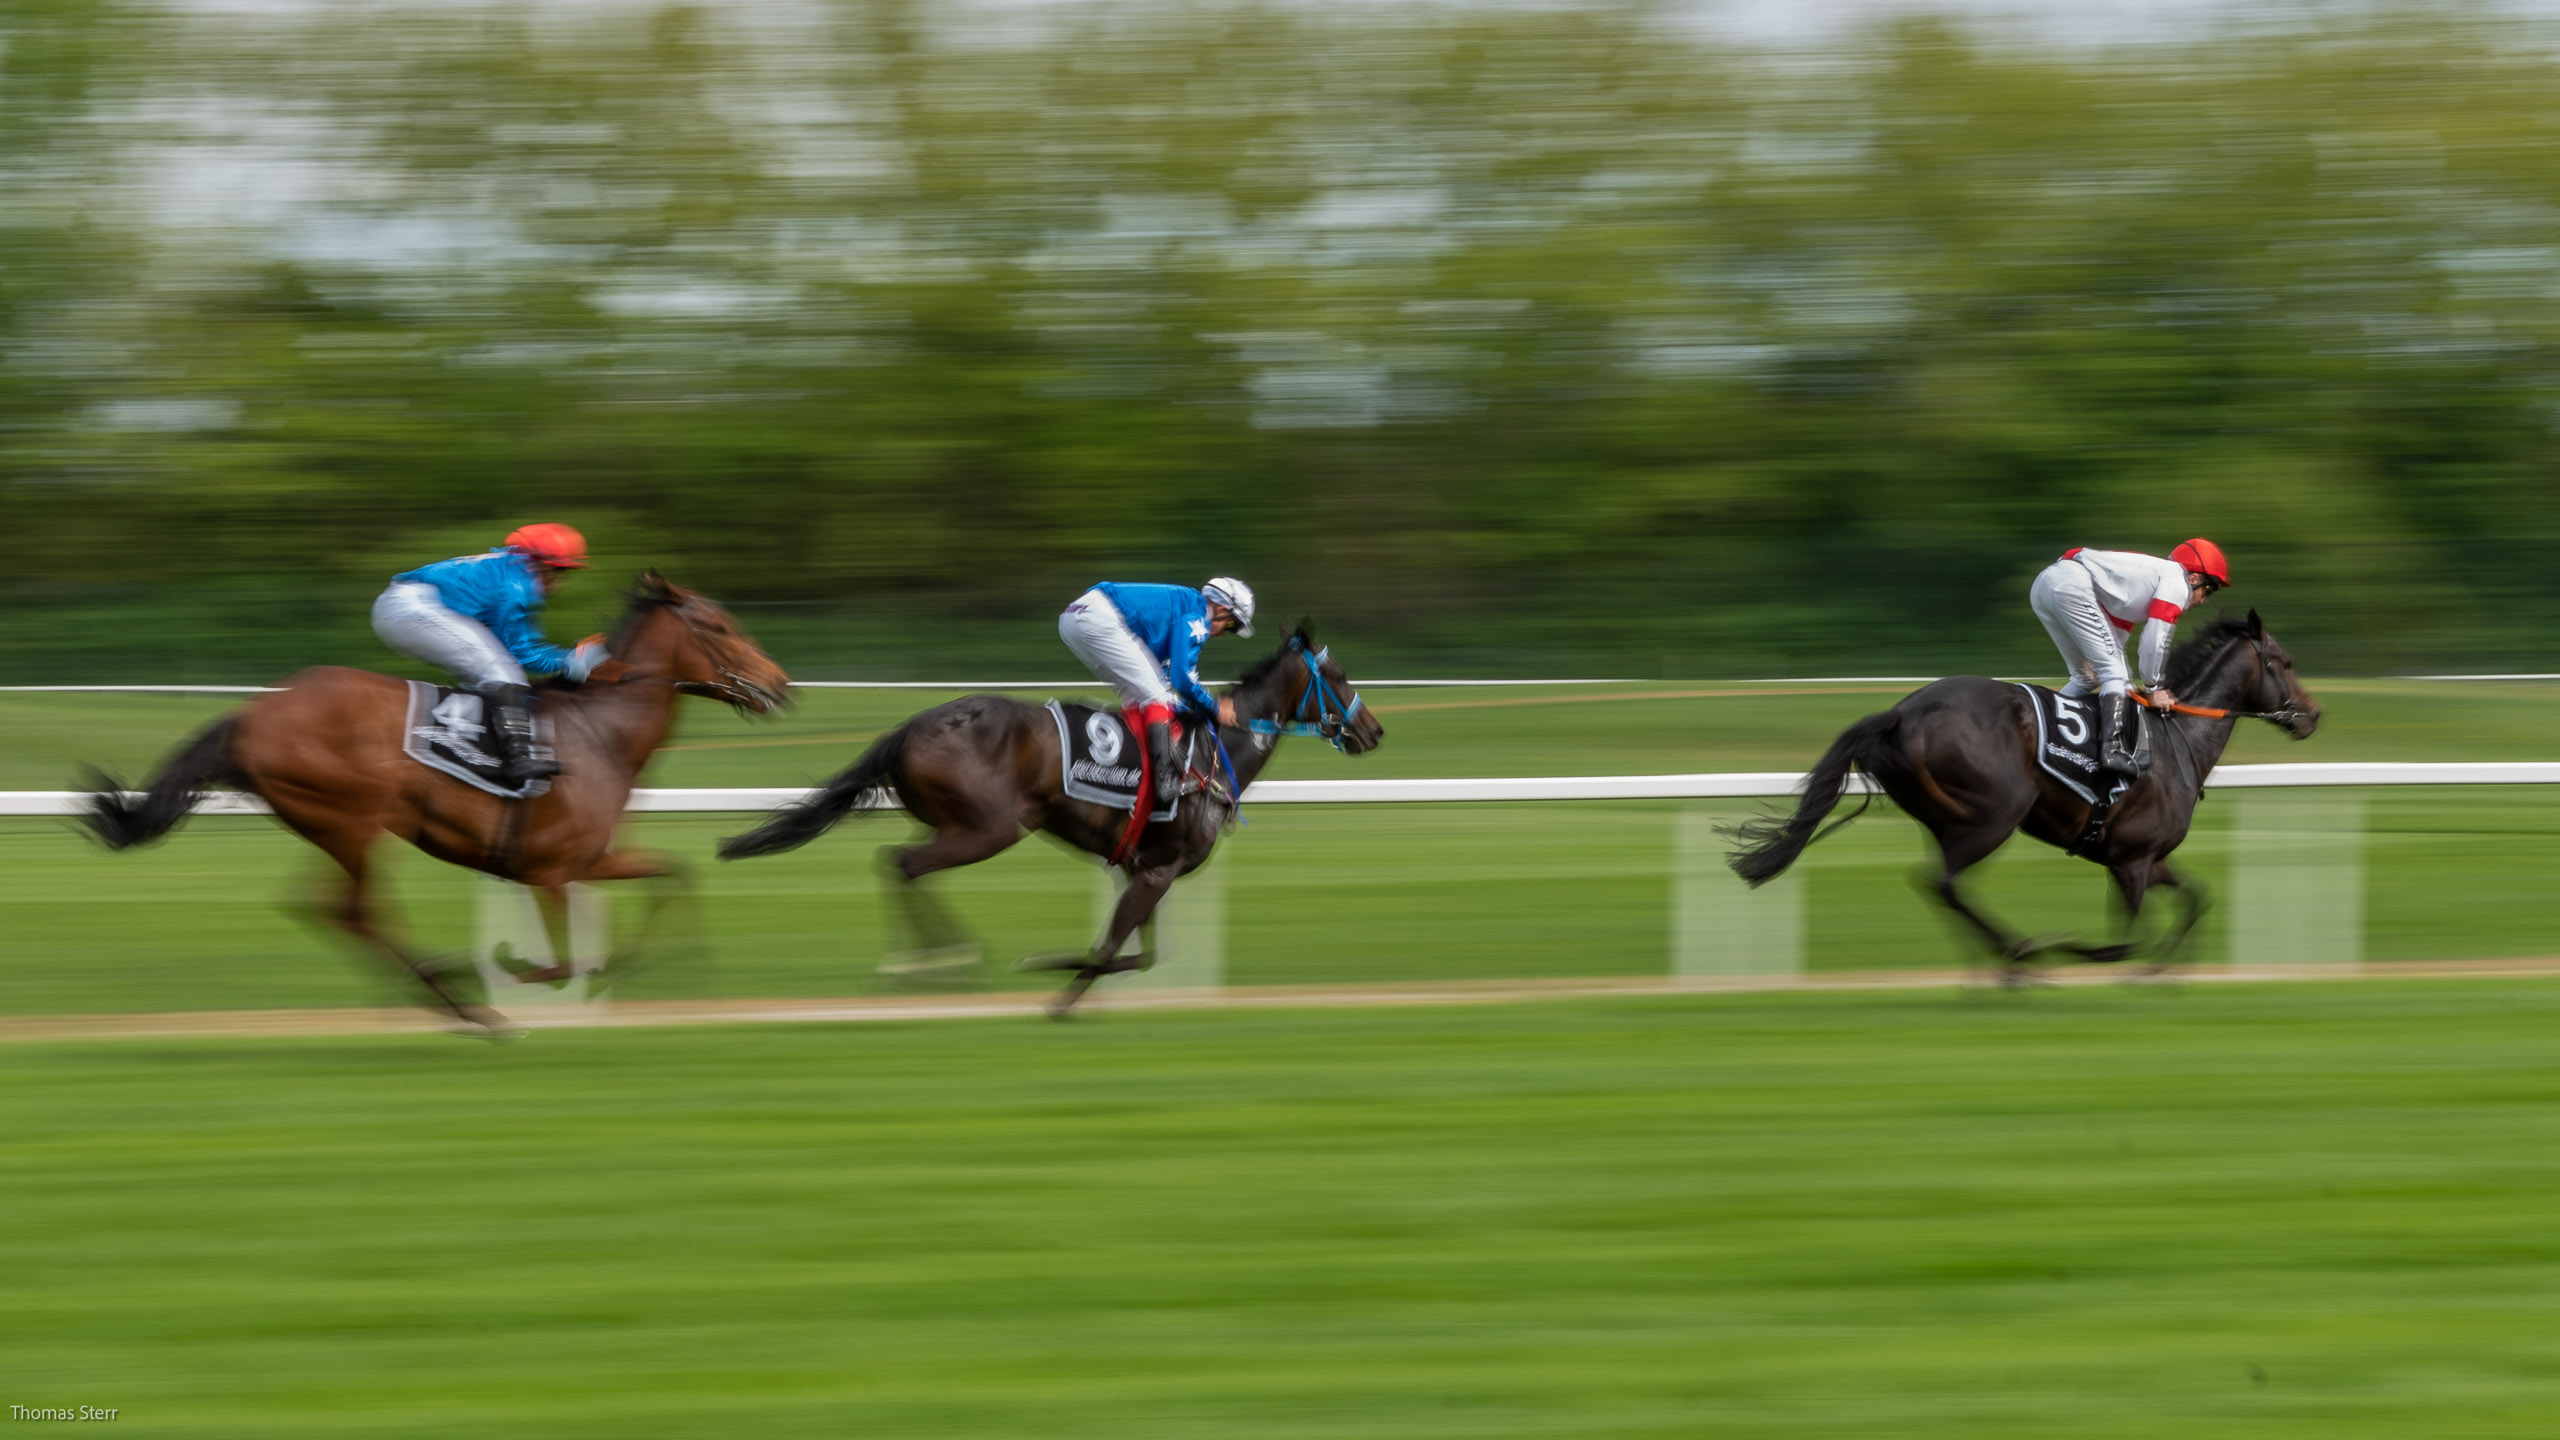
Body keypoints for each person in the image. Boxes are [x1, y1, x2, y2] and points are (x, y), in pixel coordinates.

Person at [372, 523, 609, 784]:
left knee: (491, 670)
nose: (558, 580)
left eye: (563, 572)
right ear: (537, 563)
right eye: (557, 569)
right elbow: (521, 653)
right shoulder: (515, 586)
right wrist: (569, 661)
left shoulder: (507, 569)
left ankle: (474, 748)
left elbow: (511, 644)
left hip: (406, 605)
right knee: (502, 670)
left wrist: (566, 659)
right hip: (412, 609)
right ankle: (518, 760)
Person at [2028, 539, 2230, 777]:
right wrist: (2153, 688)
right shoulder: (2177, 583)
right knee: (2113, 672)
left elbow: (2113, 646)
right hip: (2071, 585)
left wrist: (2125, 687)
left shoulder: (2134, 593)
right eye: (2210, 589)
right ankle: (2112, 750)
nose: (2203, 600)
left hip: (2044, 585)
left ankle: (2046, 735)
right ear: (2195, 578)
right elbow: (2155, 639)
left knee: (2087, 676)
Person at [1058, 577, 1256, 803]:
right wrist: (1215, 707)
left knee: (1142, 697)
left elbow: (1166, 678)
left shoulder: (1183, 608)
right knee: (1156, 696)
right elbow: (1182, 679)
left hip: (1073, 618)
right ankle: (1164, 781)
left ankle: (1129, 771)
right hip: (1096, 617)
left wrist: (1193, 706)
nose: (1223, 634)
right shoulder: (1198, 616)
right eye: (1232, 625)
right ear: (1221, 609)